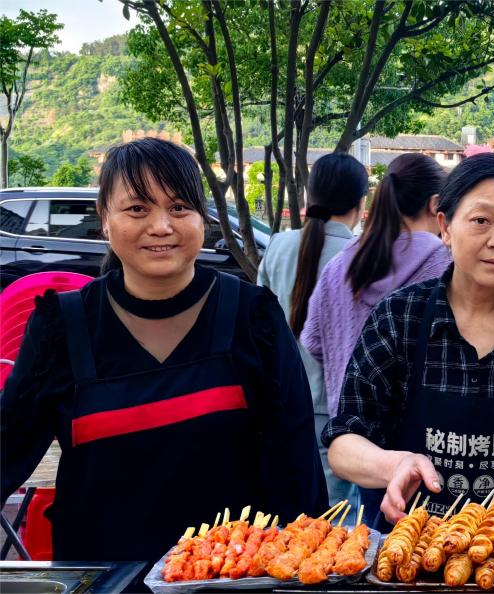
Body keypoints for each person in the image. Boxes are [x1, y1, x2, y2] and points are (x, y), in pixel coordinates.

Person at [0, 137, 325, 564]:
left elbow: (296, 464)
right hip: (103, 580)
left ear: (202, 217)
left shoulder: (253, 317)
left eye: (179, 207)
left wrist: (306, 566)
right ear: (104, 218)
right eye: (137, 208)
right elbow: (8, 446)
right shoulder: (62, 326)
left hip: (228, 579)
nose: (161, 226)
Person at [325, 152, 494, 526]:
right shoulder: (400, 315)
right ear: (445, 226)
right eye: (481, 220)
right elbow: (344, 441)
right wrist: (392, 464)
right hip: (412, 542)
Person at [302, 152, 450, 435]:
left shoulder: (342, 263)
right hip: (420, 433)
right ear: (435, 204)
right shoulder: (443, 265)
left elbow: (312, 340)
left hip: (351, 433)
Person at [258, 152, 366, 506]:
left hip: (280, 400)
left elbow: (261, 327)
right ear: (360, 203)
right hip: (339, 408)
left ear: (310, 195)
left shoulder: (278, 246)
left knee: (289, 510)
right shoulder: (363, 255)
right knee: (334, 520)